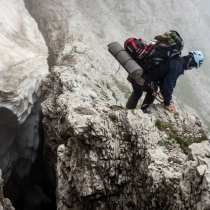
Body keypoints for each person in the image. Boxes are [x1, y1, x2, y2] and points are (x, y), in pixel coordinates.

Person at [126, 50, 204, 113]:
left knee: (137, 93)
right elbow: (168, 85)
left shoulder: (174, 57)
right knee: (152, 93)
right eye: (193, 67)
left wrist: (166, 97)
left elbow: (163, 81)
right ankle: (143, 112)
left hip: (136, 73)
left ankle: (128, 111)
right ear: (191, 64)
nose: (191, 69)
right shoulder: (177, 66)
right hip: (143, 80)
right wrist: (167, 104)